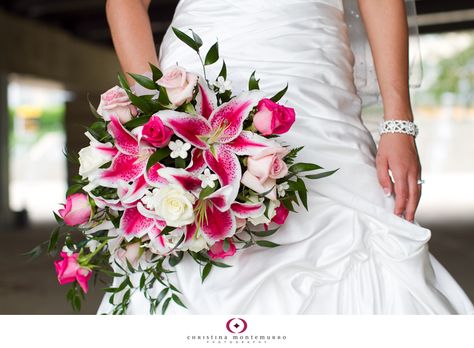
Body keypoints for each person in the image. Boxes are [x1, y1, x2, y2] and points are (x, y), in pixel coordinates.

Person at [98, 0, 474, 314]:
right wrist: (156, 111)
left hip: (312, 70)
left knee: (358, 217)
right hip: (199, 69)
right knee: (193, 235)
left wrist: (398, 123)